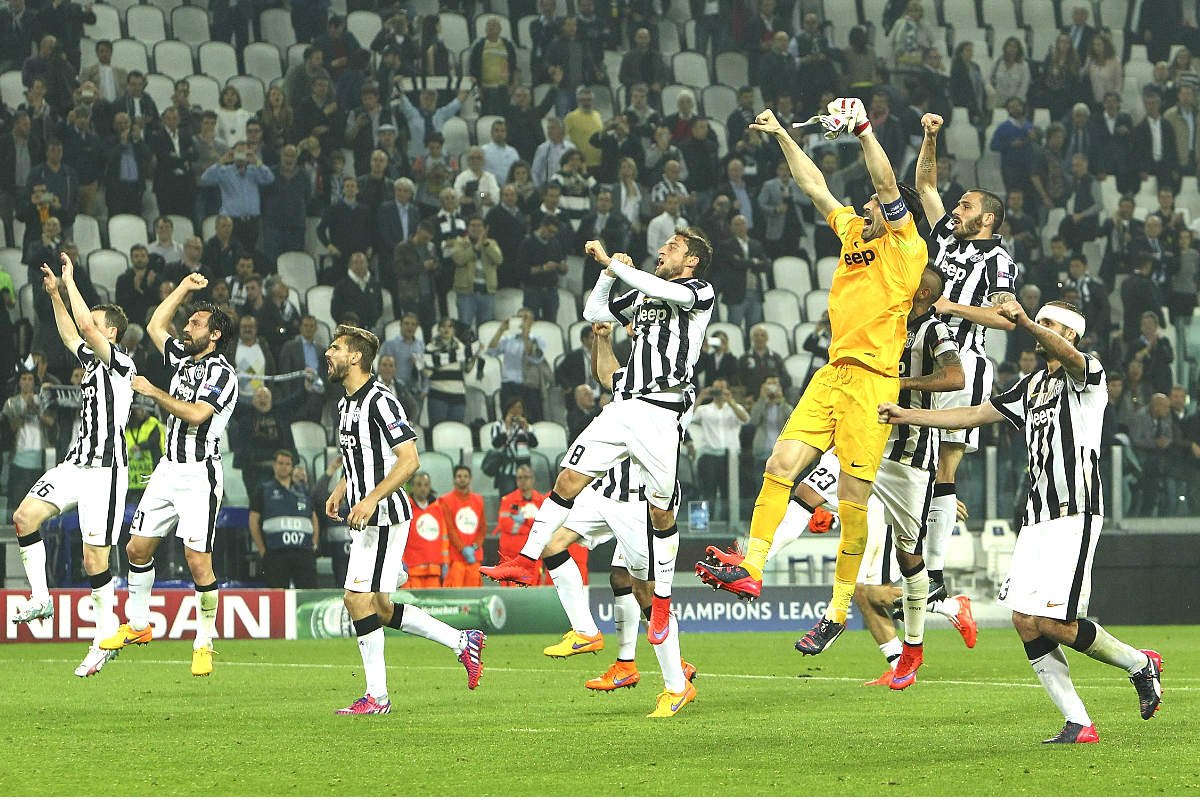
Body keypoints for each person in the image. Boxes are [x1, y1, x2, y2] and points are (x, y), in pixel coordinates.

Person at [696, 99, 928, 656]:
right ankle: (751, 565)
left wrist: (866, 130)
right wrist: (780, 134)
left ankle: (839, 607)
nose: (867, 208)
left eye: (875, 205)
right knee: (780, 464)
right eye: (870, 206)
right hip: (831, 374)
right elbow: (816, 186)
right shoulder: (855, 233)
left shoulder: (905, 248)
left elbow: (887, 180)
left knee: (851, 499)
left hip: (874, 381)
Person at [879, 299, 1163, 742]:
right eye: (1041, 322)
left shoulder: (1089, 372)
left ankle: (1139, 664)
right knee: (1024, 620)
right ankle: (1079, 722)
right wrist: (909, 414)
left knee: (1055, 624)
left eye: (1051, 325)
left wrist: (1027, 320)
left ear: (1069, 335)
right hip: (1035, 517)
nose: (1040, 330)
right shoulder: (1031, 385)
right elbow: (973, 414)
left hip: (1075, 510)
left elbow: (1070, 358)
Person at [482, 223, 715, 647]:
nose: (662, 249)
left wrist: (614, 263)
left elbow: (674, 294)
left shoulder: (700, 291)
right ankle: (525, 560)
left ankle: (662, 603)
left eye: (673, 246)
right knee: (567, 478)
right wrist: (607, 274)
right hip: (625, 410)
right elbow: (595, 313)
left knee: (661, 518)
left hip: (660, 412)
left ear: (692, 260)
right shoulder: (644, 300)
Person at [522, 321, 699, 715]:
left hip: (640, 502)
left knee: (644, 590)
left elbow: (619, 386)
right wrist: (602, 338)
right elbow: (608, 376)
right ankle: (590, 635)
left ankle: (675, 679)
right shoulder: (635, 380)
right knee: (555, 545)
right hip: (603, 492)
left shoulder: (671, 387)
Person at [322, 324, 485, 713]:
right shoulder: (346, 403)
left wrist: (371, 499)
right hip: (367, 515)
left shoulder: (381, 400)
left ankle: (377, 697)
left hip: (383, 516)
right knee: (378, 606)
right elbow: (362, 456)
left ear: (356, 357)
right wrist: (344, 488)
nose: (328, 354)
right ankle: (464, 642)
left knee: (355, 599)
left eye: (335, 348)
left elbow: (409, 460)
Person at [97, 274, 237, 678]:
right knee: (136, 549)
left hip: (199, 474)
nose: (187, 326)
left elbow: (196, 415)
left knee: (197, 561)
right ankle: (139, 626)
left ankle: (204, 643)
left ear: (213, 335)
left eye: (195, 323)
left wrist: (153, 390)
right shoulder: (181, 359)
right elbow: (157, 324)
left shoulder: (222, 373)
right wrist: (183, 289)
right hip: (166, 470)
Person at [910, 112, 1018, 604]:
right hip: (919, 353)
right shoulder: (945, 238)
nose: (956, 207)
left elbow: (1008, 319)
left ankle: (931, 572)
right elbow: (925, 182)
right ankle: (917, 566)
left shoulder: (999, 260)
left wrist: (952, 306)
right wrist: (931, 137)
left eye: (966, 204)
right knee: (916, 461)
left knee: (942, 468)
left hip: (965, 362)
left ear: (987, 218)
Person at [10, 253, 133, 679]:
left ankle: (103, 637)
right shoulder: (93, 360)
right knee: (24, 517)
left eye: (97, 323)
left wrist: (70, 281)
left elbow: (83, 327)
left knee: (93, 559)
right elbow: (70, 333)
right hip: (76, 463)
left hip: (106, 469)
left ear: (111, 331)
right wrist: (54, 297)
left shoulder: (121, 363)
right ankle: (41, 596)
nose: (90, 327)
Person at [249, 449, 319, 589]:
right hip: (276, 554)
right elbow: (253, 522)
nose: (284, 466)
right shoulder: (263, 490)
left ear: (292, 467)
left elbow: (313, 518)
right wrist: (263, 550)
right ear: (274, 465)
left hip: (303, 552)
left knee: (307, 594)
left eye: (288, 464)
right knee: (277, 598)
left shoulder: (303, 490)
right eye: (280, 463)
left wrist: (314, 543)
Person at [494, 463, 545, 573]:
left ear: (533, 479)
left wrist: (525, 522)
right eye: (520, 478)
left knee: (534, 589)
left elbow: (545, 526)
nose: (523, 480)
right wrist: (530, 528)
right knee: (513, 589)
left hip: (533, 557)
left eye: (526, 477)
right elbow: (505, 524)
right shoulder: (508, 500)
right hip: (511, 557)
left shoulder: (541, 501)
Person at [441, 464, 486, 588]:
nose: (462, 479)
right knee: (456, 593)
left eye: (465, 476)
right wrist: (462, 549)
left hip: (474, 558)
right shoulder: (446, 500)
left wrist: (475, 546)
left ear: (470, 478)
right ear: (454, 479)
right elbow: (450, 529)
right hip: (456, 558)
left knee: (475, 593)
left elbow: (482, 528)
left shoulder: (479, 500)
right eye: (459, 476)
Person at [402, 471, 448, 589]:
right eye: (419, 484)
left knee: (433, 606)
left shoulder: (437, 509)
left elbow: (444, 538)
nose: (423, 488)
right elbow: (399, 537)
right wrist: (400, 560)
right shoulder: (405, 509)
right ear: (412, 487)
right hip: (412, 571)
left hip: (434, 570)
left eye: (426, 485)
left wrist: (445, 562)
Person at [489, 397, 539, 496]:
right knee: (508, 501)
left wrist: (526, 428)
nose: (516, 411)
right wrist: (507, 428)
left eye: (519, 407)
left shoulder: (527, 425)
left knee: (525, 499)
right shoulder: (498, 425)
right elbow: (496, 444)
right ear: (507, 409)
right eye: (513, 407)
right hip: (506, 469)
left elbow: (534, 444)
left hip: (524, 468)